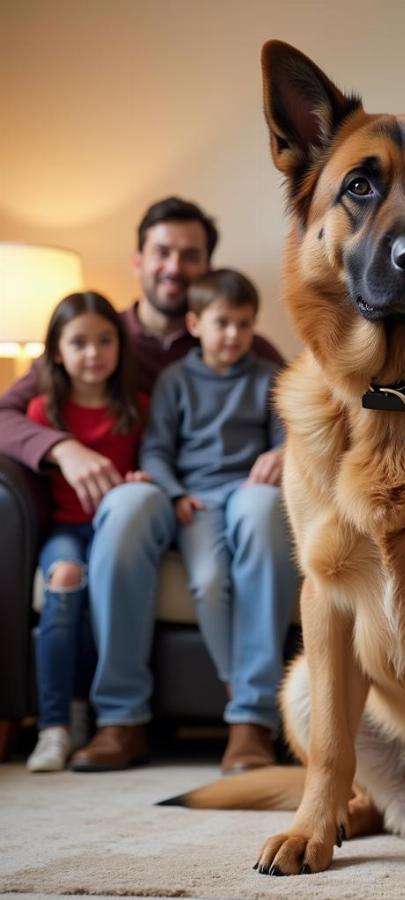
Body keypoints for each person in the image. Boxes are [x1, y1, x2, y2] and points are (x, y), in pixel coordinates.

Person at [0, 197, 289, 772]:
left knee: (262, 510)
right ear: (139, 259)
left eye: (190, 255)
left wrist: (293, 449)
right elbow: (6, 411)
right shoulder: (103, 333)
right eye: (162, 252)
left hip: (229, 495)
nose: (174, 267)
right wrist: (63, 447)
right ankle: (121, 717)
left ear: (206, 265)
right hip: (155, 488)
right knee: (127, 504)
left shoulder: (243, 345)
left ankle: (253, 720)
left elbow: (299, 407)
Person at [139, 269, 296, 772]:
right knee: (208, 582)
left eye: (244, 324)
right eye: (222, 323)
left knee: (260, 509)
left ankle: (249, 718)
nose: (233, 335)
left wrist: (283, 453)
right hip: (198, 499)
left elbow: (295, 432)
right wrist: (174, 492)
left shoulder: (267, 378)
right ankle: (238, 684)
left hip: (248, 489)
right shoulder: (175, 381)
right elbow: (156, 449)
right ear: (195, 323)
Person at [25, 292, 150, 771]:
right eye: (78, 343)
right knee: (64, 579)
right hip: (67, 530)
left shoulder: (136, 407)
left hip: (114, 533)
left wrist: (142, 477)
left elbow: (153, 459)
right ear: (57, 351)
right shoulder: (43, 411)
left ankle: (84, 713)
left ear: (120, 347)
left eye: (104, 341)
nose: (93, 353)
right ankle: (53, 727)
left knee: (107, 581)